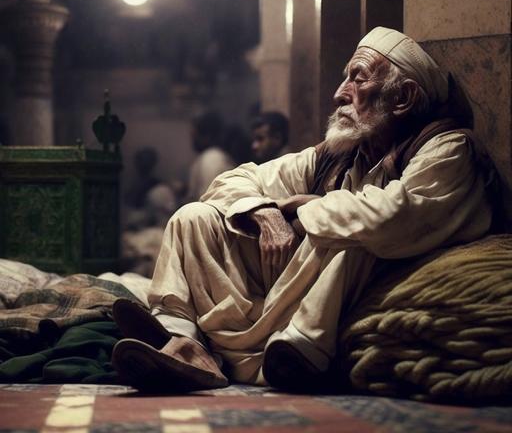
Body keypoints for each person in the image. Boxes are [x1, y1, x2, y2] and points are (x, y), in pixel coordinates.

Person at [111, 27, 494, 393]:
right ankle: (181, 340)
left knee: (348, 231)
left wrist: (310, 207)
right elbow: (233, 180)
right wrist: (266, 212)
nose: (339, 93)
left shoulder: (447, 148)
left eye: (358, 79)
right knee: (192, 218)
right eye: (345, 78)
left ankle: (299, 353)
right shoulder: (336, 154)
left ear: (403, 98)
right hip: (291, 290)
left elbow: (392, 216)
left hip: (331, 300)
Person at [185, 110, 235, 202]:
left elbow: (208, 201)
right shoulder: (209, 157)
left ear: (207, 135)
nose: (192, 139)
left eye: (194, 135)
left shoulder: (212, 159)